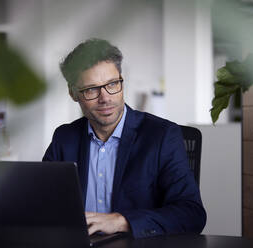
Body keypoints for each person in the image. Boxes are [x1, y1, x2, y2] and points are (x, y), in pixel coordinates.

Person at [43, 38, 206, 239]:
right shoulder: (65, 138)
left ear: (121, 80)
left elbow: (192, 214)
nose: (105, 98)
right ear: (73, 93)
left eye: (112, 84)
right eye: (91, 89)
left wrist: (121, 221)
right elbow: (43, 204)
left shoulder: (162, 136)